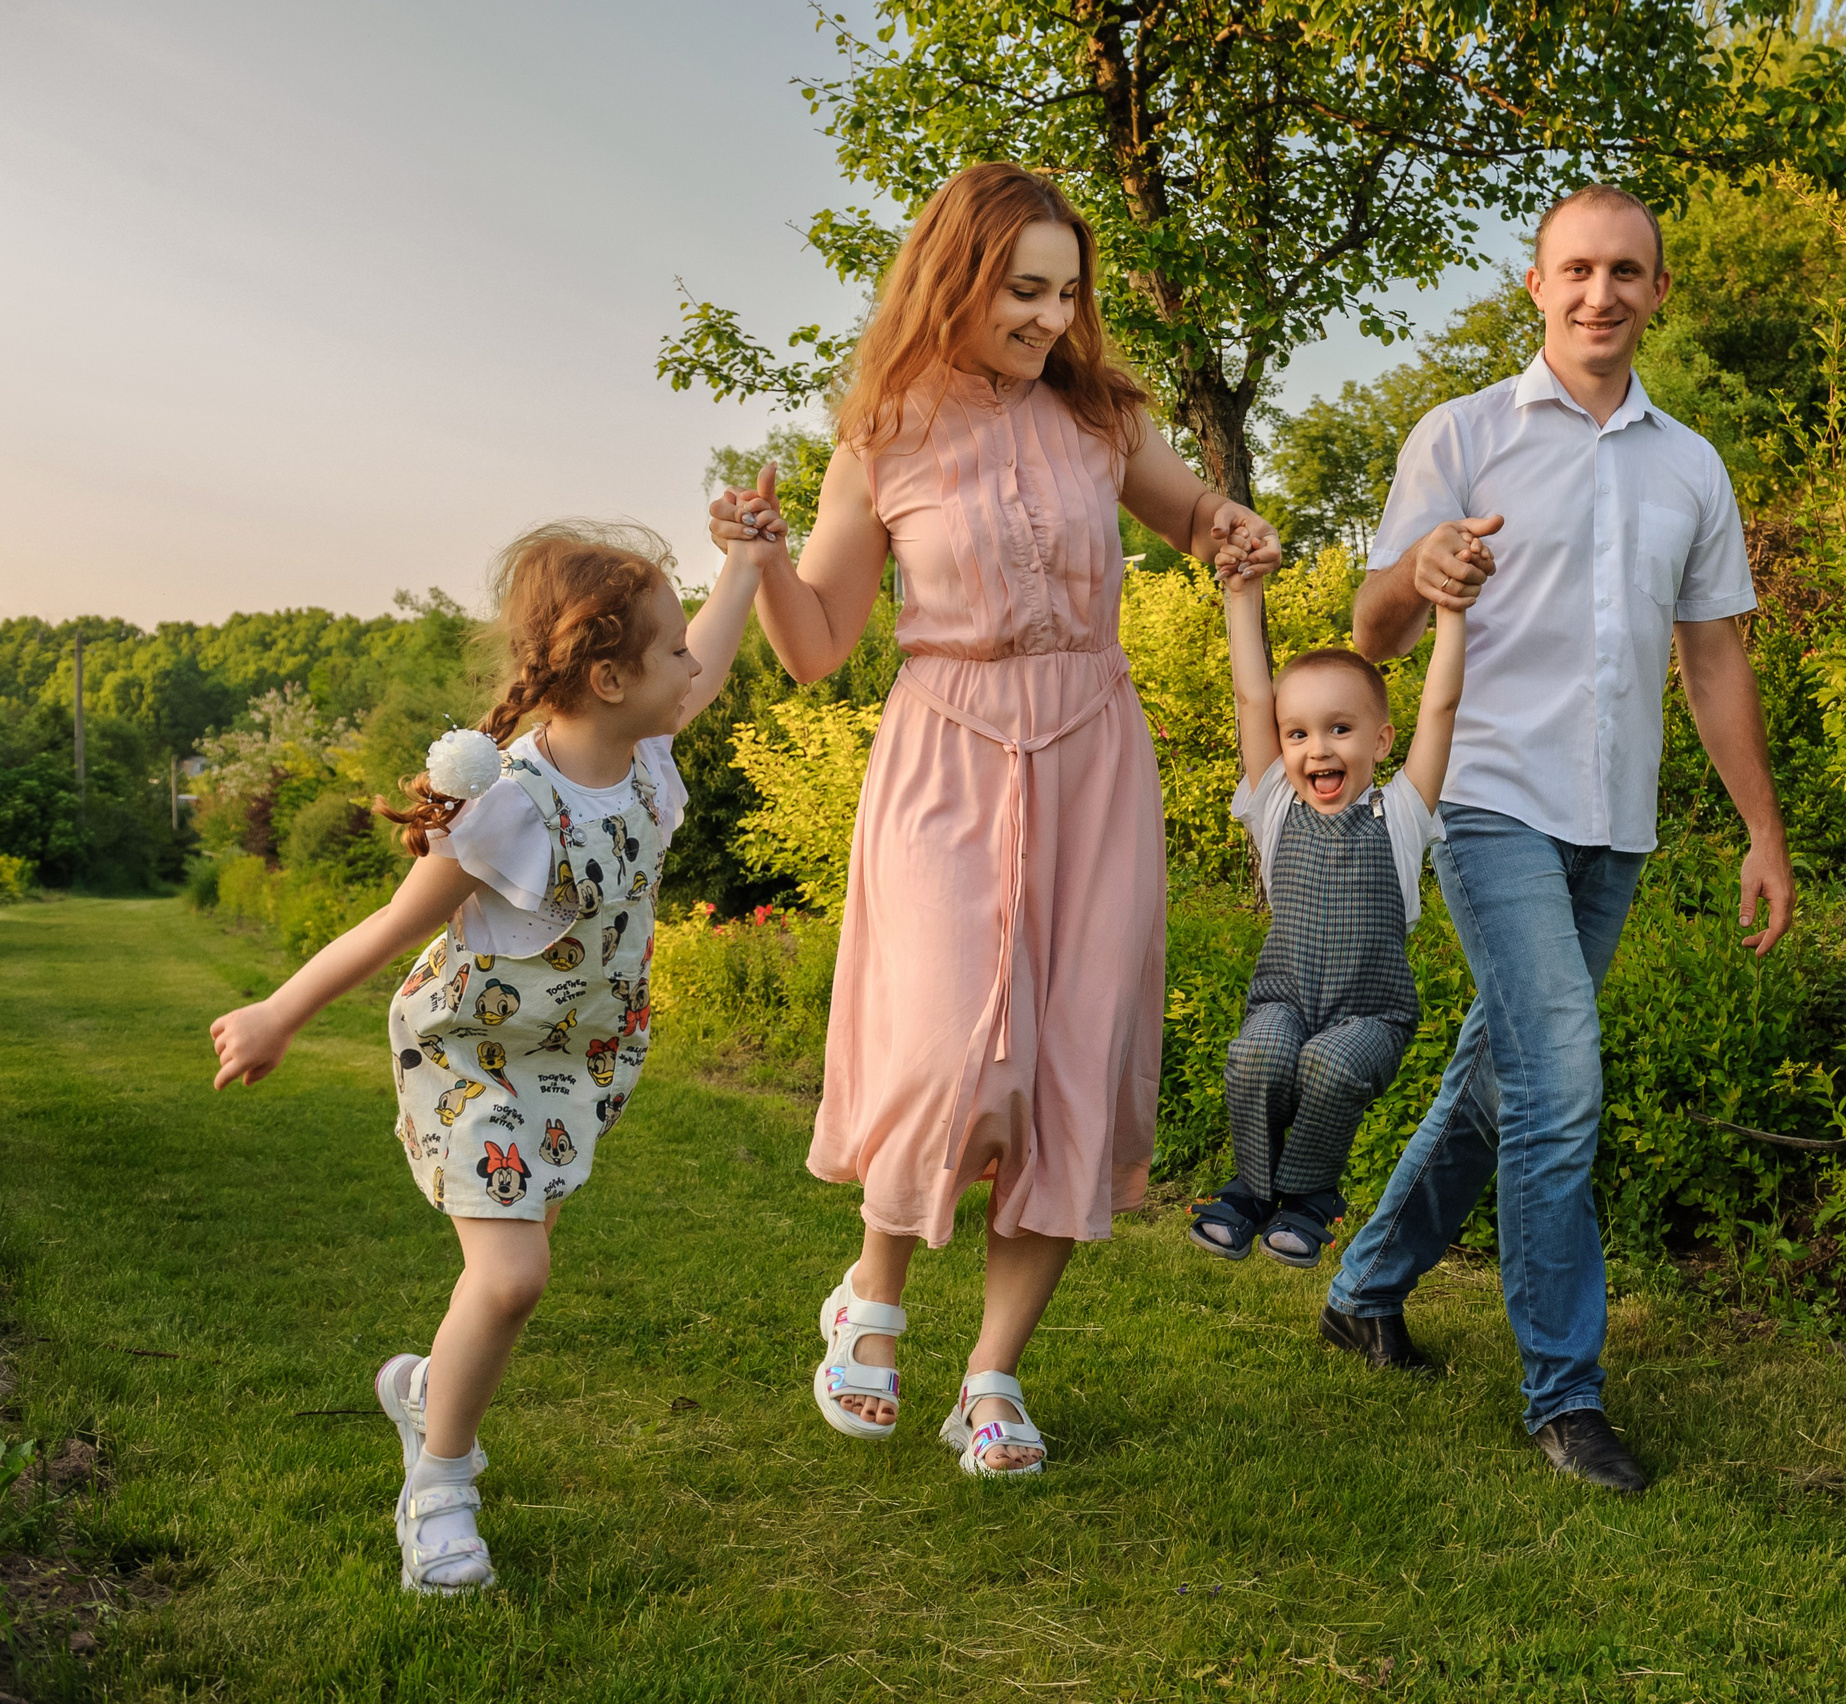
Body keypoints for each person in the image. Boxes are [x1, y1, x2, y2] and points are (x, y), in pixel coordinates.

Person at [708, 162, 1281, 1478]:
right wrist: (760, 562)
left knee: (1073, 1058)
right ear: (955, 280)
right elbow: (817, 645)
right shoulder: (886, 432)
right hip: (948, 755)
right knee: (958, 1053)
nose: (1048, 317)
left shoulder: (1103, 418)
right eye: (1025, 290)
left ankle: (994, 1374)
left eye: (1066, 292)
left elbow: (1197, 518)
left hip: (1092, 750)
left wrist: (1227, 527)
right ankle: (873, 1293)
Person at [1321, 184, 1796, 1494]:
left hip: (1614, 825)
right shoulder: (1464, 437)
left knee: (1503, 1072)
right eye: (1576, 270)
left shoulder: (1690, 467)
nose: (1601, 293)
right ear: (1535, 287)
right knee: (1559, 1087)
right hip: (1485, 797)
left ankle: (1365, 1289)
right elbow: (1369, 629)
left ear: (1658, 293)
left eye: (1626, 272)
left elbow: (1711, 662)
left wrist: (1763, 830)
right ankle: (1565, 1396)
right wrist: (1418, 574)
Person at [206, 521, 762, 1590]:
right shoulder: (509, 808)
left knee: (505, 1285)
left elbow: (715, 653)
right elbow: (391, 926)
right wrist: (279, 1010)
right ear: (609, 676)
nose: (695, 665)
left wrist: (745, 561)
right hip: (473, 1058)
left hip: (579, 1062)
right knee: (512, 1278)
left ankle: (427, 1396)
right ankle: (440, 1486)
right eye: (673, 650)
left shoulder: (644, 757)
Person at [1187, 549, 1466, 1267]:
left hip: (1373, 1015)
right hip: (1284, 998)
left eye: (1340, 730)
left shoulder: (1403, 812)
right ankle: (1251, 1191)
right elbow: (1253, 695)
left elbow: (1440, 705)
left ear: (1379, 742)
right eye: (1299, 733)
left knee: (1331, 1068)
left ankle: (1311, 1198)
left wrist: (1451, 613)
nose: (1317, 749)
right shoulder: (1275, 803)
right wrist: (1241, 595)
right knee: (1259, 1054)